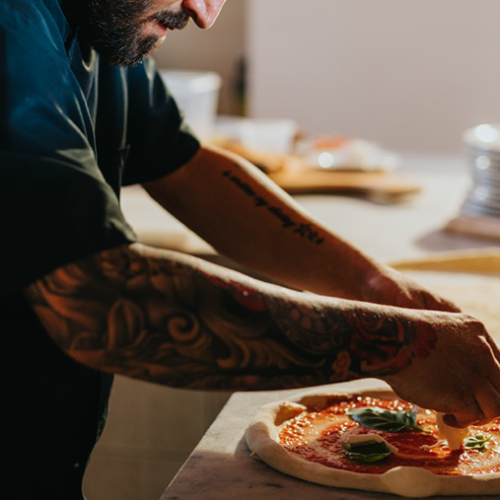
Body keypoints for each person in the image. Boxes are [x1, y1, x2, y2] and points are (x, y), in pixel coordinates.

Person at [2, 0, 500, 498]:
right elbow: (99, 297)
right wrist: (397, 344)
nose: (203, 13)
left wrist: (379, 289)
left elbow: (181, 165)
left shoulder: (100, 15)